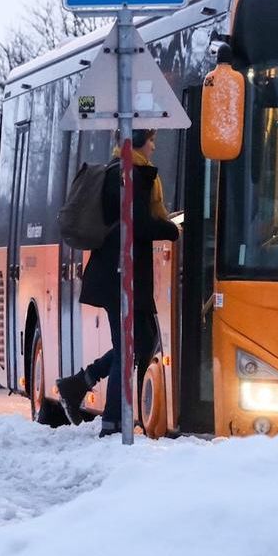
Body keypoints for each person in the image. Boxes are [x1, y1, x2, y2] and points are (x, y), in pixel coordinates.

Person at [55, 129, 179, 437]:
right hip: (119, 277)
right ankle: (112, 425)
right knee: (129, 348)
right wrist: (173, 229)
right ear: (137, 141)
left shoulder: (125, 172)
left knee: (141, 341)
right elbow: (137, 223)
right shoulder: (126, 174)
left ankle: (80, 383)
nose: (153, 147)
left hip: (122, 275)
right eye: (151, 140)